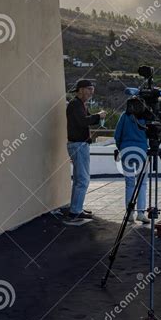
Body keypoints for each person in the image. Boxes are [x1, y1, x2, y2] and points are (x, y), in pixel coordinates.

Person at [65, 79, 106, 225]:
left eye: (92, 89)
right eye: (89, 89)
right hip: (78, 145)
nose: (91, 92)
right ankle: (75, 211)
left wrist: (96, 117)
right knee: (82, 179)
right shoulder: (75, 105)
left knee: (79, 179)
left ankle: (76, 209)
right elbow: (83, 121)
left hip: (79, 144)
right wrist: (98, 116)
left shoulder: (80, 104)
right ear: (80, 89)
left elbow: (86, 120)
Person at [114, 97, 149, 223]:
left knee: (129, 184)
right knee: (142, 184)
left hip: (126, 152)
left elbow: (117, 135)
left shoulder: (124, 116)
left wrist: (121, 147)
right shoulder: (146, 117)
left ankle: (129, 214)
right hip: (142, 152)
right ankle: (141, 213)